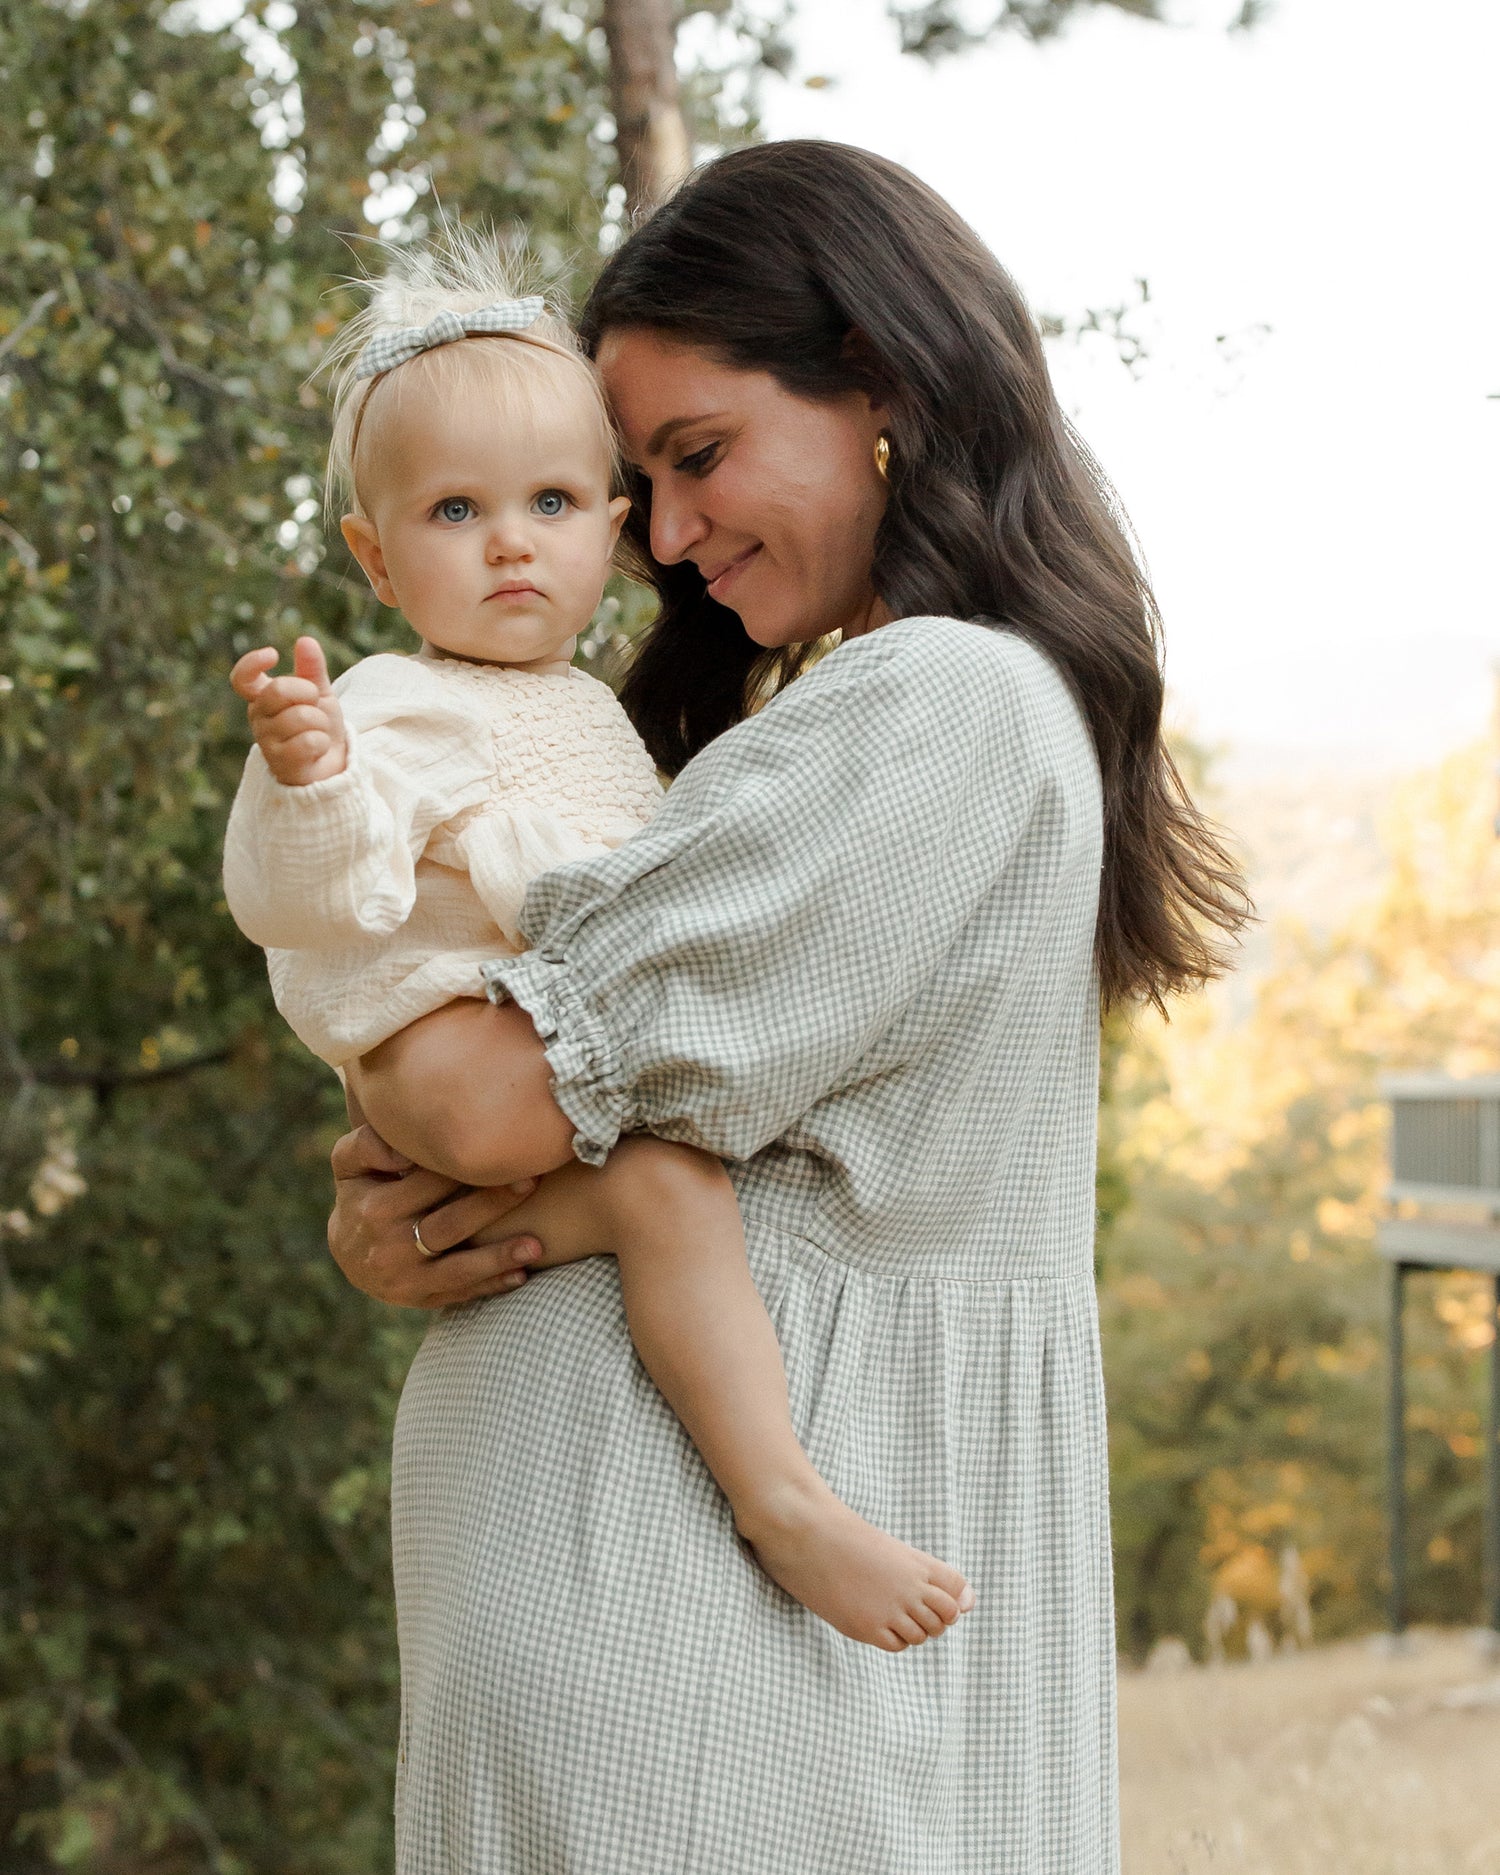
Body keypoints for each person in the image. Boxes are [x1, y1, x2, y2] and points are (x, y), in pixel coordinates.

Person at [327, 142, 1248, 1874]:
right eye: (641, 485)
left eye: (697, 457)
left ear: (884, 386)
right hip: (670, 1615)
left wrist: (457, 1170)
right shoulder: (912, 712)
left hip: (691, 1636)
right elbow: (525, 1108)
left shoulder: (944, 701)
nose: (662, 536)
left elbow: (481, 1102)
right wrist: (419, 1217)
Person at [222, 228, 972, 1652]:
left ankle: (490, 1251)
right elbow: (303, 894)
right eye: (454, 511)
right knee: (670, 1188)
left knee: (649, 1196)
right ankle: (783, 1498)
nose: (510, 539)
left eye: (553, 499)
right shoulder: (396, 700)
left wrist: (382, 1233)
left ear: (606, 528)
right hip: (445, 1049)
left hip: (488, 1086)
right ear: (375, 561)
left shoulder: (589, 713)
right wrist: (309, 778)